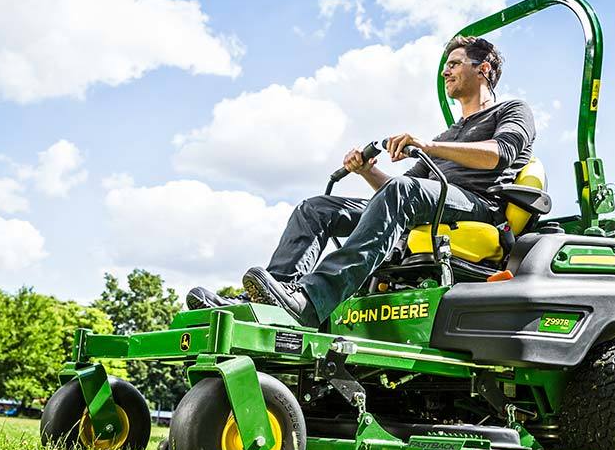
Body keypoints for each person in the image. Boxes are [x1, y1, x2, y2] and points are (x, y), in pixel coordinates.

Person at [185, 36, 535, 326]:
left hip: (477, 205)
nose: (447, 70)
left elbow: (500, 153)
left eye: (455, 63)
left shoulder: (511, 111)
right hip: (432, 204)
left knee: (404, 191)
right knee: (316, 209)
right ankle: (271, 299)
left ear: (483, 68)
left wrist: (427, 145)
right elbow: (393, 192)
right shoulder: (450, 132)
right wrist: (366, 170)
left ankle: (312, 299)